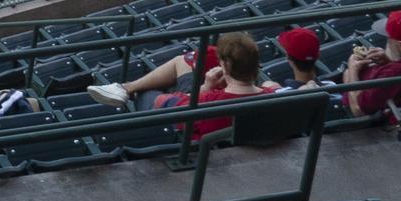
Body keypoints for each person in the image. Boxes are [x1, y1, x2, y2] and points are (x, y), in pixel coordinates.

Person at [89, 33, 276, 139]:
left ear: (225, 66)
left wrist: (206, 87)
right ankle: (124, 88)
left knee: (147, 93)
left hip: (184, 118)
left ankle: (127, 89)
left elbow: (177, 107)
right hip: (233, 103)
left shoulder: (208, 101)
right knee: (182, 63)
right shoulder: (275, 96)